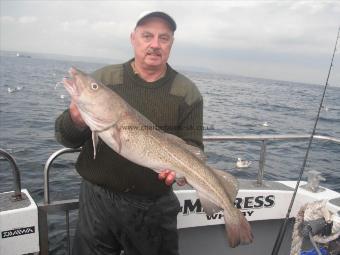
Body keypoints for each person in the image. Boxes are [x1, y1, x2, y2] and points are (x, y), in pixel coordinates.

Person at [55, 11, 203, 255]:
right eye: (147, 35)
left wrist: (178, 174)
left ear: (171, 44)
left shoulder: (187, 92)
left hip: (152, 207)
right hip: (96, 201)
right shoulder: (104, 79)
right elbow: (66, 138)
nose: (155, 44)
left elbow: (193, 147)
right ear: (133, 38)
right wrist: (75, 119)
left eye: (163, 38)